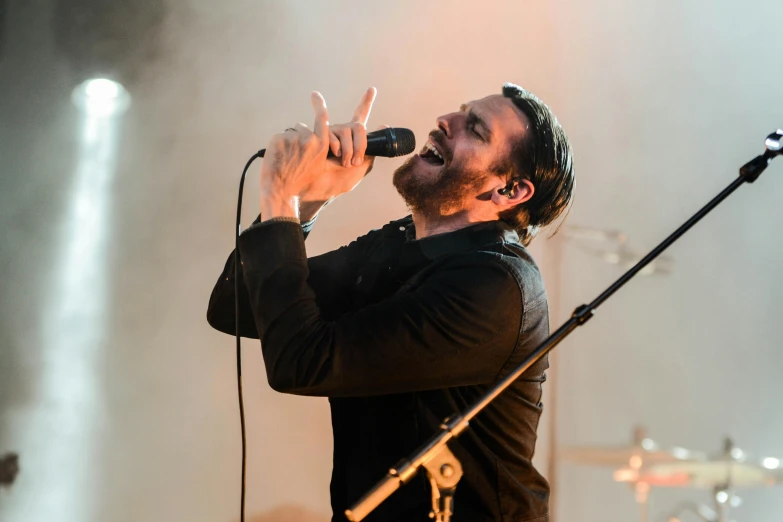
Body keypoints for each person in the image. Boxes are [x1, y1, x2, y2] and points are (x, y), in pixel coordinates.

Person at [207, 83, 574, 522]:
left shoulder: (497, 286)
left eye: (474, 128)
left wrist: (279, 195)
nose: (445, 120)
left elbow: (303, 363)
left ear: (509, 191)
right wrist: (305, 202)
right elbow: (235, 305)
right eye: (460, 111)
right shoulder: (397, 244)